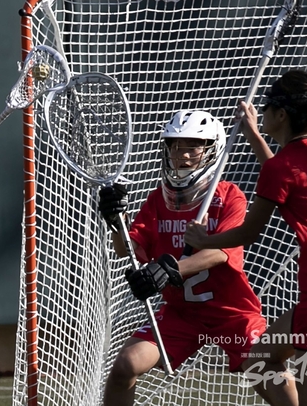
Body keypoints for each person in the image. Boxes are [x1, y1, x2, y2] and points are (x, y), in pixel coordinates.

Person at [185, 69, 307, 406]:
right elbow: (285, 178)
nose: (263, 111)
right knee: (257, 360)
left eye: (267, 106)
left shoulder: (282, 167)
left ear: (281, 114)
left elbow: (249, 232)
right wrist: (254, 135)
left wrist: (203, 239)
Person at [100, 110, 266, 406]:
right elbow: (127, 249)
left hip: (231, 312)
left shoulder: (229, 195)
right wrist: (117, 222)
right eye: (177, 146)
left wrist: (170, 269)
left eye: (193, 146)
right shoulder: (158, 199)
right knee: (126, 364)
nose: (184, 154)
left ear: (212, 150)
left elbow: (222, 253)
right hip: (182, 313)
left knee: (268, 372)